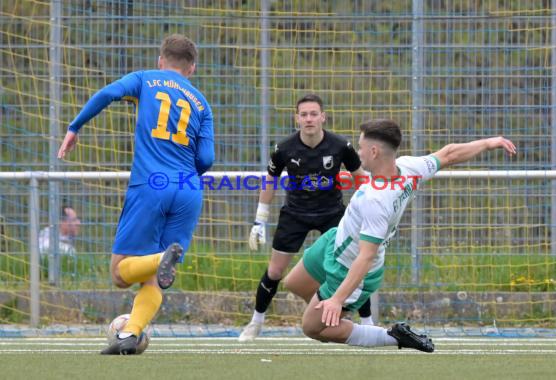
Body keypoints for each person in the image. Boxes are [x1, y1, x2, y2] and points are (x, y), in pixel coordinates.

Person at [282, 119, 516, 352]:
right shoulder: (407, 167)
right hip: (336, 241)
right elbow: (449, 154)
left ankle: (392, 336)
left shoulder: (377, 199)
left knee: (312, 329)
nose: (358, 152)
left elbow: (366, 257)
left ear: (374, 152)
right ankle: (333, 314)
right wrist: (489, 142)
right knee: (294, 282)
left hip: (347, 265)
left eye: (361, 147)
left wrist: (336, 299)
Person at [57, 34, 214, 355]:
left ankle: (160, 259)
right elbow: (206, 159)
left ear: (161, 60)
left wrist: (74, 127)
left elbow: (108, 93)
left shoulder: (146, 79)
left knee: (119, 273)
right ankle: (130, 335)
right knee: (153, 280)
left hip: (151, 185)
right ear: (192, 68)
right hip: (189, 189)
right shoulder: (201, 102)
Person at [239, 94, 371, 342]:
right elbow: (270, 180)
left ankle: (368, 322)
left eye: (313, 114)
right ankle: (255, 322)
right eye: (304, 115)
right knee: (275, 271)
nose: (309, 119)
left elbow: (360, 176)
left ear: (323, 117)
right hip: (295, 214)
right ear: (296, 118)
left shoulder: (341, 146)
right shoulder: (284, 148)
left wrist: (365, 209)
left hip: (332, 213)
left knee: (350, 266)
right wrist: (260, 219)